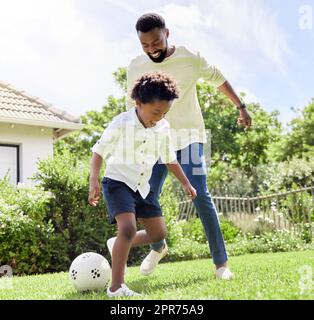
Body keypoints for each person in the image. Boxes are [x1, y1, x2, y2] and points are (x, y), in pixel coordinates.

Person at [125, 13, 252, 280]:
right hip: (157, 142)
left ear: (167, 33)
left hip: (191, 137)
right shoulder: (135, 67)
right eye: (145, 45)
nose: (152, 49)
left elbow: (218, 79)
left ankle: (221, 265)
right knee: (148, 199)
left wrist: (240, 107)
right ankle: (158, 247)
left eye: (156, 42)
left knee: (200, 195)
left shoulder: (189, 58)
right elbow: (133, 109)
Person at [88, 71, 197, 297]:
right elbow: (99, 150)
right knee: (127, 228)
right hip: (117, 181)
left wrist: (186, 183)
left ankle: (117, 242)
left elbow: (169, 158)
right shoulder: (121, 123)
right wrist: (93, 179)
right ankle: (116, 287)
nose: (158, 117)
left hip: (143, 187)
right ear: (139, 103)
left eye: (164, 113)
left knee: (158, 234)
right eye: (155, 112)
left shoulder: (163, 128)